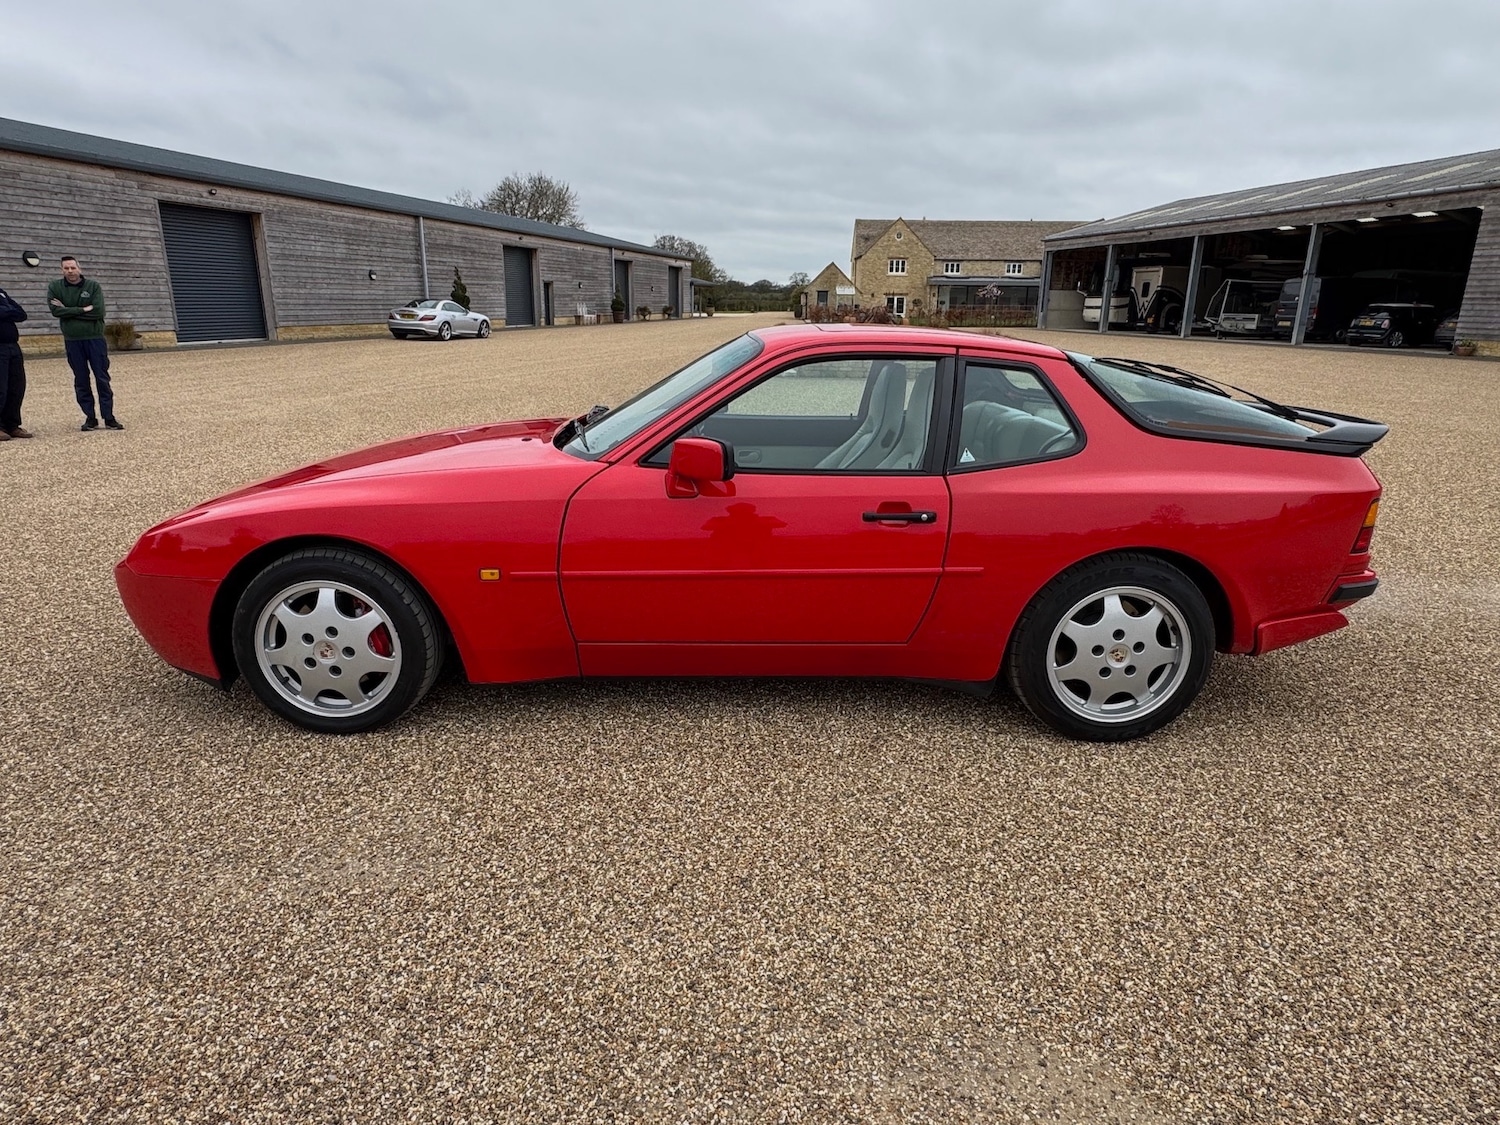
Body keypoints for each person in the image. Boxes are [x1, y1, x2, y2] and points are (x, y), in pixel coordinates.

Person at [48, 256, 122, 431]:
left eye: (73, 267)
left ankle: (109, 417)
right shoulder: (55, 287)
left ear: (79, 268)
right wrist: (82, 309)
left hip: (94, 339)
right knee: (81, 380)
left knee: (102, 378)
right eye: (66, 268)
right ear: (62, 270)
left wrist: (68, 310)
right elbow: (56, 311)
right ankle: (90, 417)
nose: (70, 271)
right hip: (73, 341)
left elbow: (98, 311)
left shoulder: (93, 287)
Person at [0, 284, 30, 441]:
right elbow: (12, 312)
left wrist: (6, 312)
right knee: (1, 388)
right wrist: (9, 312)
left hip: (13, 346)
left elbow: (21, 314)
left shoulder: (2, 293)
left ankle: (11, 424)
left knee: (16, 387)